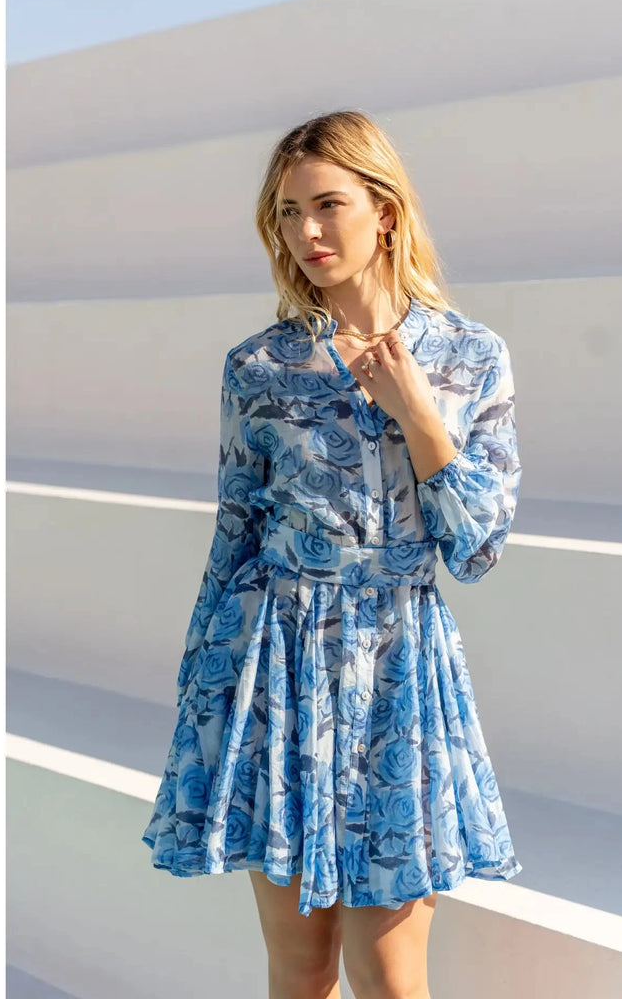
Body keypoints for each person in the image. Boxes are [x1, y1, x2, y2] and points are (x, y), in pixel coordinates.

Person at [141, 110, 523, 999]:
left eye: (327, 205)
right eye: (287, 212)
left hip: (399, 670)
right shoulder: (258, 366)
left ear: (384, 210)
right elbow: (235, 533)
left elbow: (476, 548)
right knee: (301, 970)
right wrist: (204, 691)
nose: (305, 231)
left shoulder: (469, 356)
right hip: (276, 669)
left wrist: (419, 414)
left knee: (388, 975)